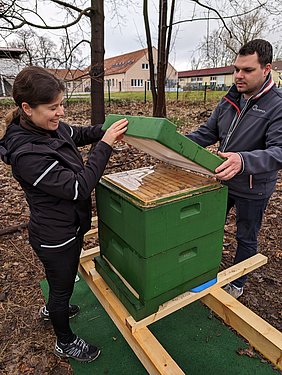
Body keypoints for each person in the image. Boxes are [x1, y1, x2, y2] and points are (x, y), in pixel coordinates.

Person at [0, 66, 128, 362]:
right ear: (27, 109)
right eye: (53, 107)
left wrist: (107, 131)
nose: (61, 113)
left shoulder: (47, 128)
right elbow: (78, 187)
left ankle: (53, 307)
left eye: (62, 105)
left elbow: (78, 133)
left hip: (67, 226)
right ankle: (65, 341)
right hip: (55, 236)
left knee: (61, 282)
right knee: (62, 287)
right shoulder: (27, 153)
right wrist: (105, 145)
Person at [186, 39, 282, 298]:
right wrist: (174, 145)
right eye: (236, 69)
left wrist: (243, 160)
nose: (239, 75)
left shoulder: (277, 104)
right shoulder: (229, 99)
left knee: (246, 236)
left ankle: (237, 283)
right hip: (221, 180)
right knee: (207, 227)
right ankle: (203, 273)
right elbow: (208, 132)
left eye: (247, 70)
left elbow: (279, 150)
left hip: (253, 187)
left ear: (266, 69)